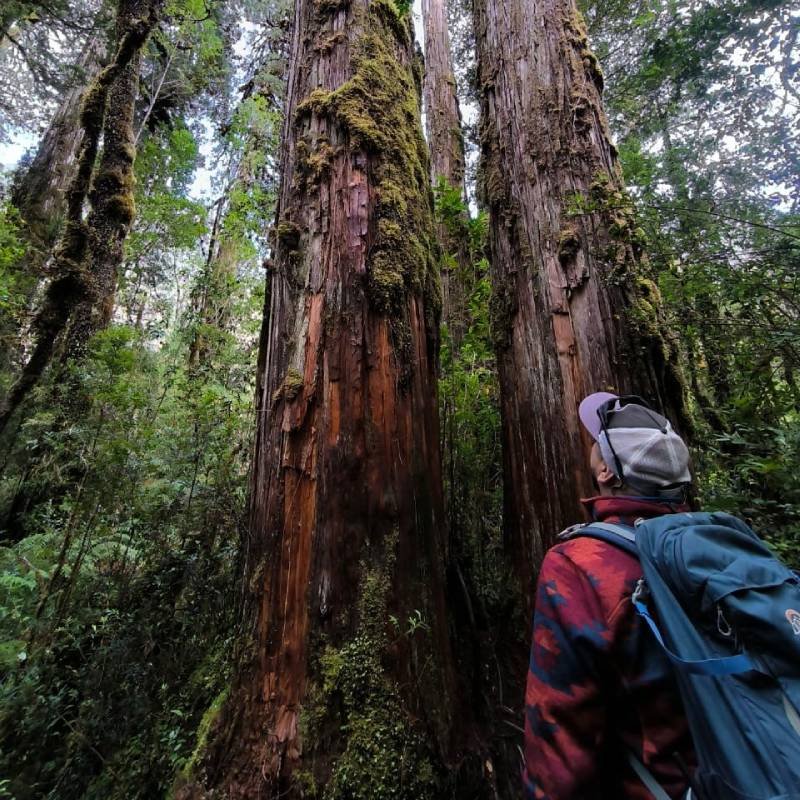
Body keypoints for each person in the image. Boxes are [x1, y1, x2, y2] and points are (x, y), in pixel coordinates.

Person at [523, 392, 697, 799]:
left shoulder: (579, 566)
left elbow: (559, 735)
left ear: (605, 471)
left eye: (595, 441)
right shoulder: (716, 548)